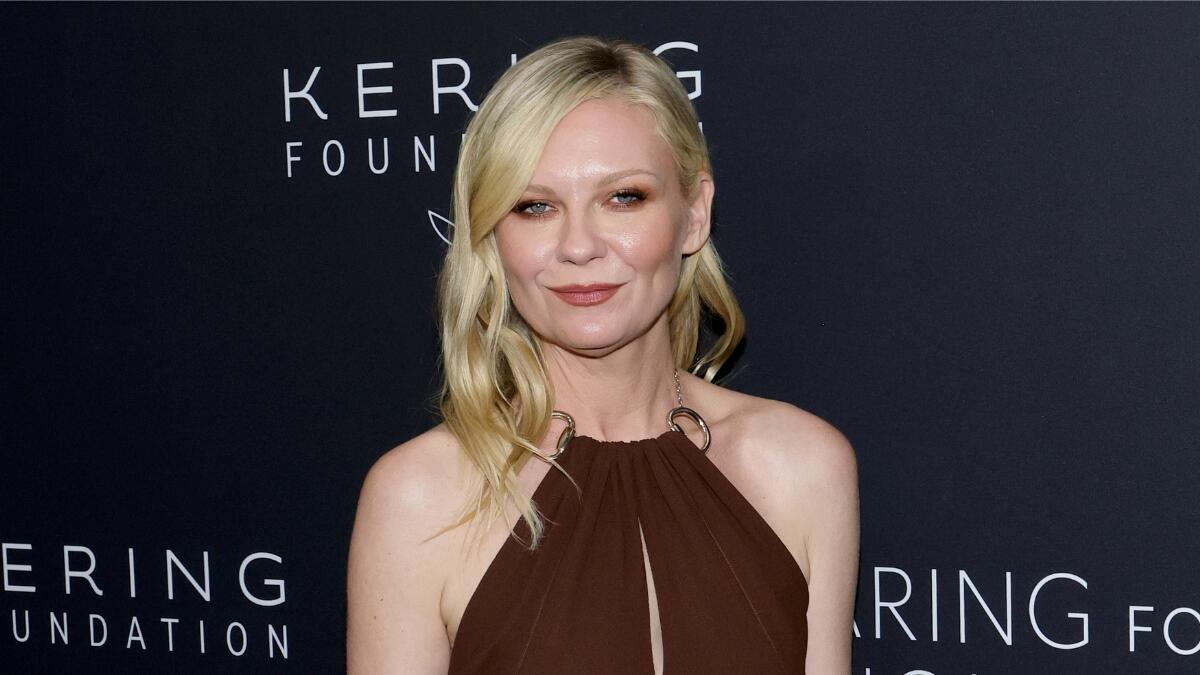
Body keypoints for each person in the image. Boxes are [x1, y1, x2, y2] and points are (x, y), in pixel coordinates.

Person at [346, 35, 859, 674]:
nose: (579, 246)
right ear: (493, 236)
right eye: (535, 207)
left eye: (623, 198)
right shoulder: (421, 497)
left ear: (694, 214)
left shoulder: (802, 466)